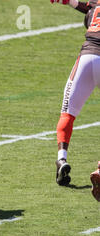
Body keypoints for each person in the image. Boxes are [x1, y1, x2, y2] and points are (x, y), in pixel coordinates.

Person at [51, 0, 100, 185]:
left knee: (67, 113)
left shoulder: (96, 6)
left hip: (87, 59)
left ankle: (62, 159)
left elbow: (88, 7)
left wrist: (69, 2)